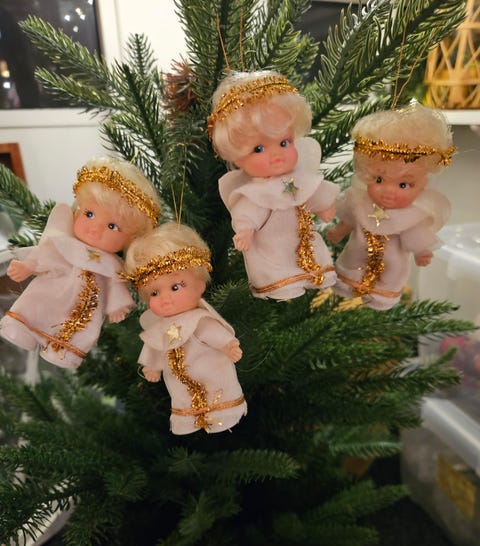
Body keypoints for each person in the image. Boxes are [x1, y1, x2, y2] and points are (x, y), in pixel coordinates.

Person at [0, 156, 161, 368]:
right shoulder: (66, 244)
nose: (95, 228)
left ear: (129, 240)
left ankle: (64, 352)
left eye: (112, 226)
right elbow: (47, 255)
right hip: (53, 290)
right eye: (90, 214)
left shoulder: (112, 264)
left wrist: (116, 306)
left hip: (86, 307)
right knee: (36, 305)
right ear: (78, 211)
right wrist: (28, 266)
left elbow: (114, 285)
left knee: (80, 329)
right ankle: (21, 329)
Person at [208, 70, 339, 301]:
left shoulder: (298, 177)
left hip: (302, 238)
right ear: (238, 158)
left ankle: (316, 276)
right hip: (272, 245)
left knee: (313, 255)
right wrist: (245, 230)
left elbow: (312, 191)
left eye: (284, 143)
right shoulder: (255, 192)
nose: (277, 155)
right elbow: (249, 212)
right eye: (259, 149)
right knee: (277, 265)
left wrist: (324, 206)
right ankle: (283, 287)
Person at [326, 102, 455, 310]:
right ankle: (347, 283)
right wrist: (340, 231)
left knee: (392, 270)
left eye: (403, 184)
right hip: (356, 252)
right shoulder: (360, 201)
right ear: (366, 174)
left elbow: (416, 237)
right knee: (351, 261)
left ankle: (382, 295)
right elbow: (350, 218)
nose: (388, 192)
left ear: (422, 185)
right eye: (378, 180)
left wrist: (421, 252)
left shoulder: (411, 216)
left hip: (391, 261)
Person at [122, 221, 247, 435]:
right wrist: (153, 367)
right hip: (178, 380)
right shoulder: (159, 327)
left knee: (217, 385)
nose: (165, 299)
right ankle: (188, 420)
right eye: (154, 293)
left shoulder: (200, 319)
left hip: (210, 370)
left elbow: (213, 333)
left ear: (200, 285)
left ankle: (223, 412)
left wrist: (228, 345)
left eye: (175, 287)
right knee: (181, 395)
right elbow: (154, 347)